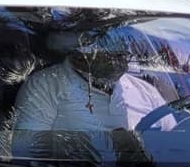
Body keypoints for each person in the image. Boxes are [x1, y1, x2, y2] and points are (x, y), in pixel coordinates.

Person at [11, 30, 173, 155]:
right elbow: (27, 148)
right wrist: (106, 144)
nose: (121, 62)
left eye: (123, 55)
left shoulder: (144, 90)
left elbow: (174, 140)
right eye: (111, 56)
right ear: (81, 56)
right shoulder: (46, 85)